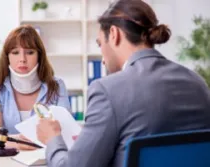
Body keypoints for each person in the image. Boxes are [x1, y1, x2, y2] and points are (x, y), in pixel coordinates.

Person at [36, 0, 210, 167]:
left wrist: (53, 139)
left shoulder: (107, 90)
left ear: (114, 34)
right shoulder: (197, 83)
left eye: (100, 44)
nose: (102, 60)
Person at [0, 25, 71, 150]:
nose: (22, 59)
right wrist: (17, 142)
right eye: (15, 52)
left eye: (30, 52)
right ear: (7, 57)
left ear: (39, 55)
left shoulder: (56, 86)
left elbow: (65, 132)